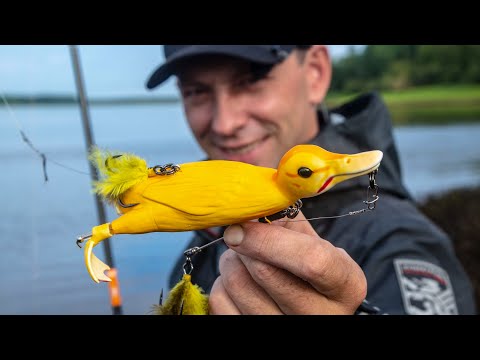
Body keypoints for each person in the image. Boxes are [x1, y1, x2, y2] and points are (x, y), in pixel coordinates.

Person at [145, 45, 477, 315]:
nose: (224, 123)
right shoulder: (207, 216)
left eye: (250, 81)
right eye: (196, 91)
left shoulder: (398, 241)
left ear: (316, 73)